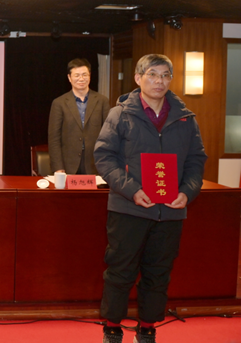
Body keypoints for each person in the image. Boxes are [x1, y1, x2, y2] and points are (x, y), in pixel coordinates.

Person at [94, 54, 207, 343]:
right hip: (128, 208)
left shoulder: (185, 118)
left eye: (166, 75)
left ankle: (147, 328)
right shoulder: (120, 114)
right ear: (138, 78)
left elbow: (196, 161)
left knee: (159, 273)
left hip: (170, 212)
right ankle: (112, 328)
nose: (160, 81)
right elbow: (104, 157)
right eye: (153, 74)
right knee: (120, 271)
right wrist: (132, 189)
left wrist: (187, 192)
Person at [48, 58, 110, 175]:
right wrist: (58, 167)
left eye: (84, 75)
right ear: (69, 78)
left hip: (96, 164)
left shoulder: (102, 101)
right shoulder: (59, 103)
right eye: (77, 75)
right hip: (68, 165)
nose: (81, 79)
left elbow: (108, 135)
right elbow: (54, 138)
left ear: (90, 76)